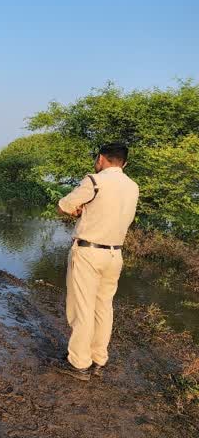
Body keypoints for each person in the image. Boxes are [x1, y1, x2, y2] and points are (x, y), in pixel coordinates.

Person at [54, 143, 139, 381]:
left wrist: (75, 210)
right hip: (115, 254)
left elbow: (64, 205)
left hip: (89, 251)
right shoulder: (133, 186)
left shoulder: (95, 180)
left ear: (101, 158)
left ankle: (79, 363)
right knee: (103, 308)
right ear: (125, 163)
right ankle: (98, 358)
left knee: (82, 307)